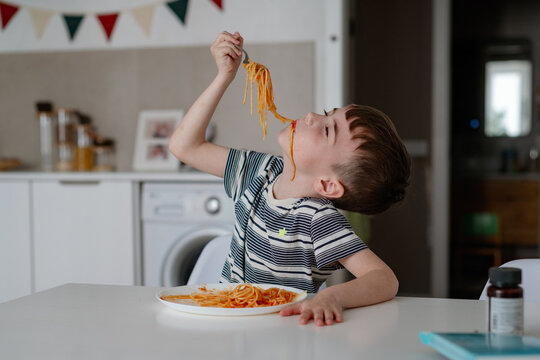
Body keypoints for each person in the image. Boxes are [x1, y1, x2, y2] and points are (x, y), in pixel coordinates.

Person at [169, 31, 411, 326]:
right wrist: (224, 77)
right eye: (326, 114)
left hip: (282, 336)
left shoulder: (317, 218)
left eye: (326, 130)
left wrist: (332, 296)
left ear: (327, 185)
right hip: (231, 325)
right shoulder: (258, 171)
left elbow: (385, 280)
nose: (311, 116)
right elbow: (184, 147)